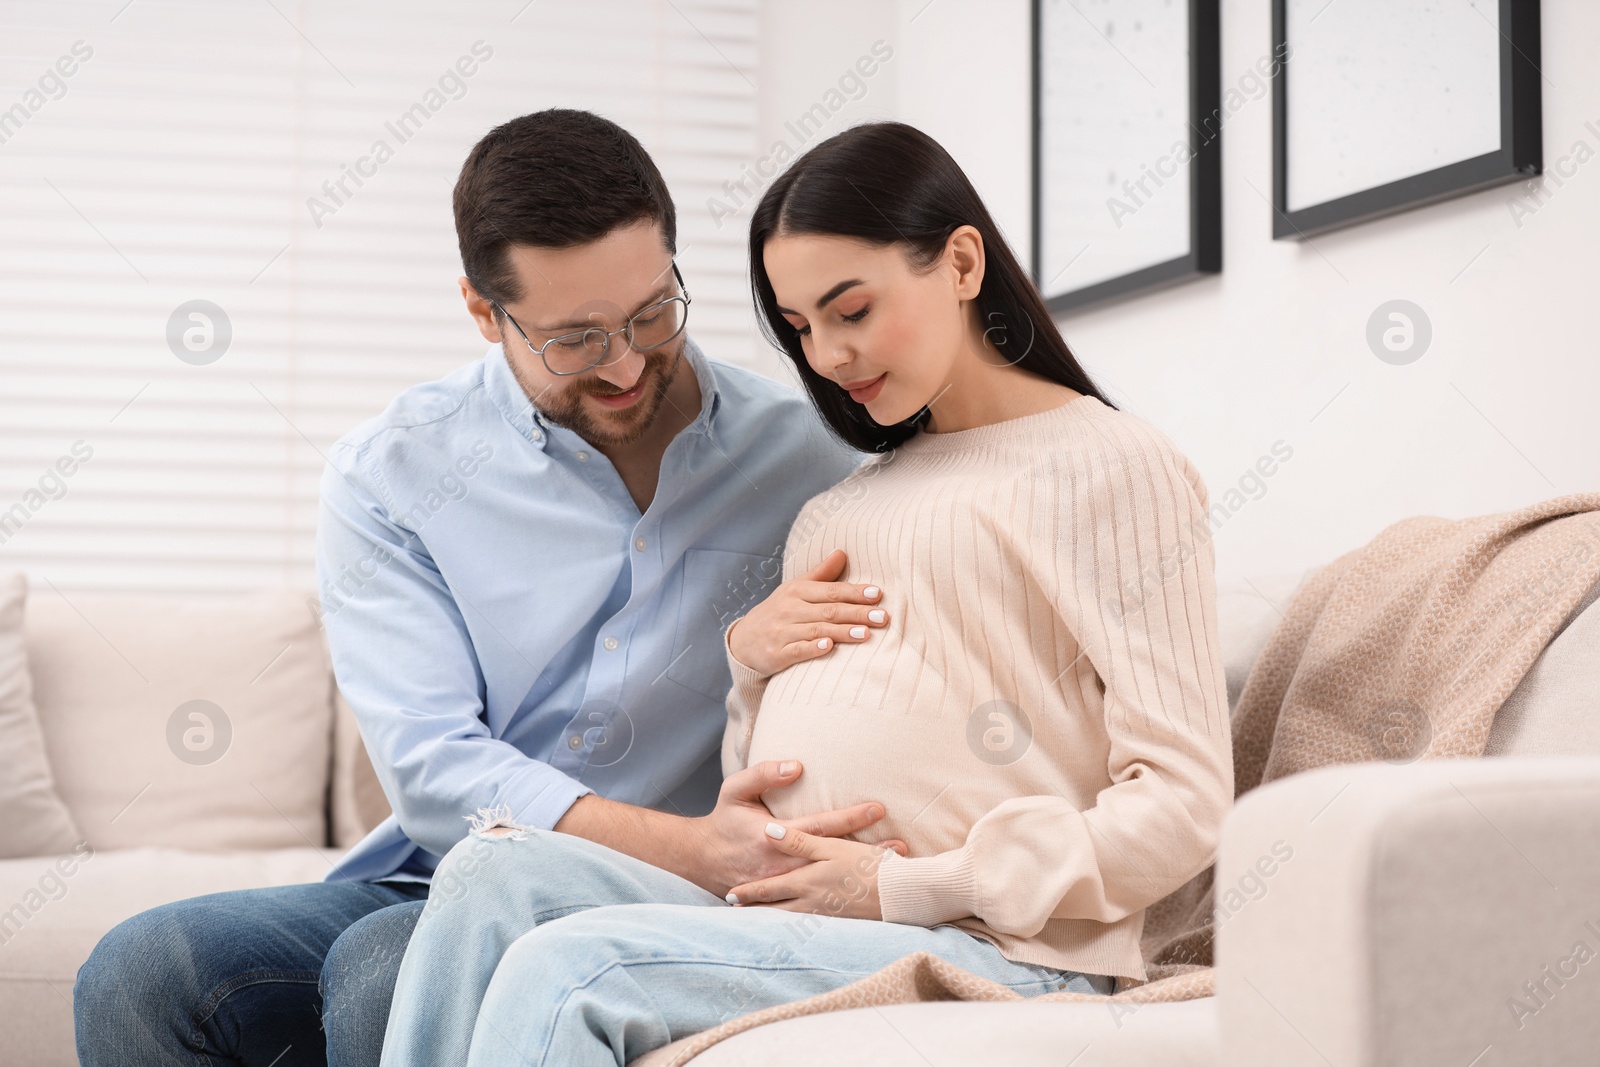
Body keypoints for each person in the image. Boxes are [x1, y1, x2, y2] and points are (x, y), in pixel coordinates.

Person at [377, 121, 1235, 1067]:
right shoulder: (838, 507)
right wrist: (749, 669)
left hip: (997, 943)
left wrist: (908, 882)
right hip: (785, 906)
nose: (825, 355)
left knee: (575, 969)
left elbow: (1188, 803)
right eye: (799, 328)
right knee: (491, 865)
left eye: (851, 311)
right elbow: (762, 774)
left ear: (959, 262)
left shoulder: (1110, 467)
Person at [71, 109, 896, 1067]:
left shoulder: (812, 455)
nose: (627, 365)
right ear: (481, 311)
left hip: (678, 896)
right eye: (575, 340)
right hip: (458, 870)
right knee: (139, 969)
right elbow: (432, 766)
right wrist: (693, 845)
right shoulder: (393, 472)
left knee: (385, 969)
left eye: (649, 315)